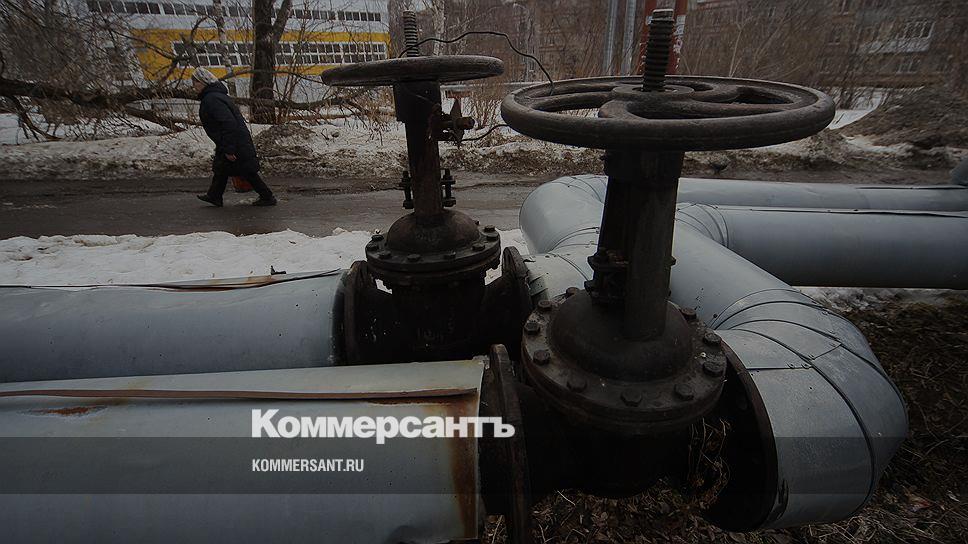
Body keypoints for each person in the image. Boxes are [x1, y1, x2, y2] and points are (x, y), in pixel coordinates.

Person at [191, 67, 277, 207]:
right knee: (221, 169)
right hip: (230, 139)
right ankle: (214, 195)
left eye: (195, 82)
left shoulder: (212, 99)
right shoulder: (215, 96)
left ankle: (267, 196)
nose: (194, 86)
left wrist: (229, 148)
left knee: (246, 170)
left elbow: (228, 122)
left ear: (203, 82)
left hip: (233, 140)